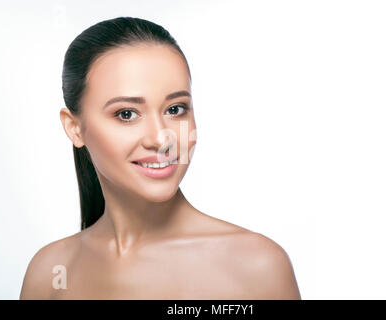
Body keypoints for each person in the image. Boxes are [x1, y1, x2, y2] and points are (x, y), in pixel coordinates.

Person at [19, 16, 301, 299]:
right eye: (126, 114)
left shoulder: (256, 266)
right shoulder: (51, 271)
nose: (160, 138)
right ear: (74, 128)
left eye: (176, 109)